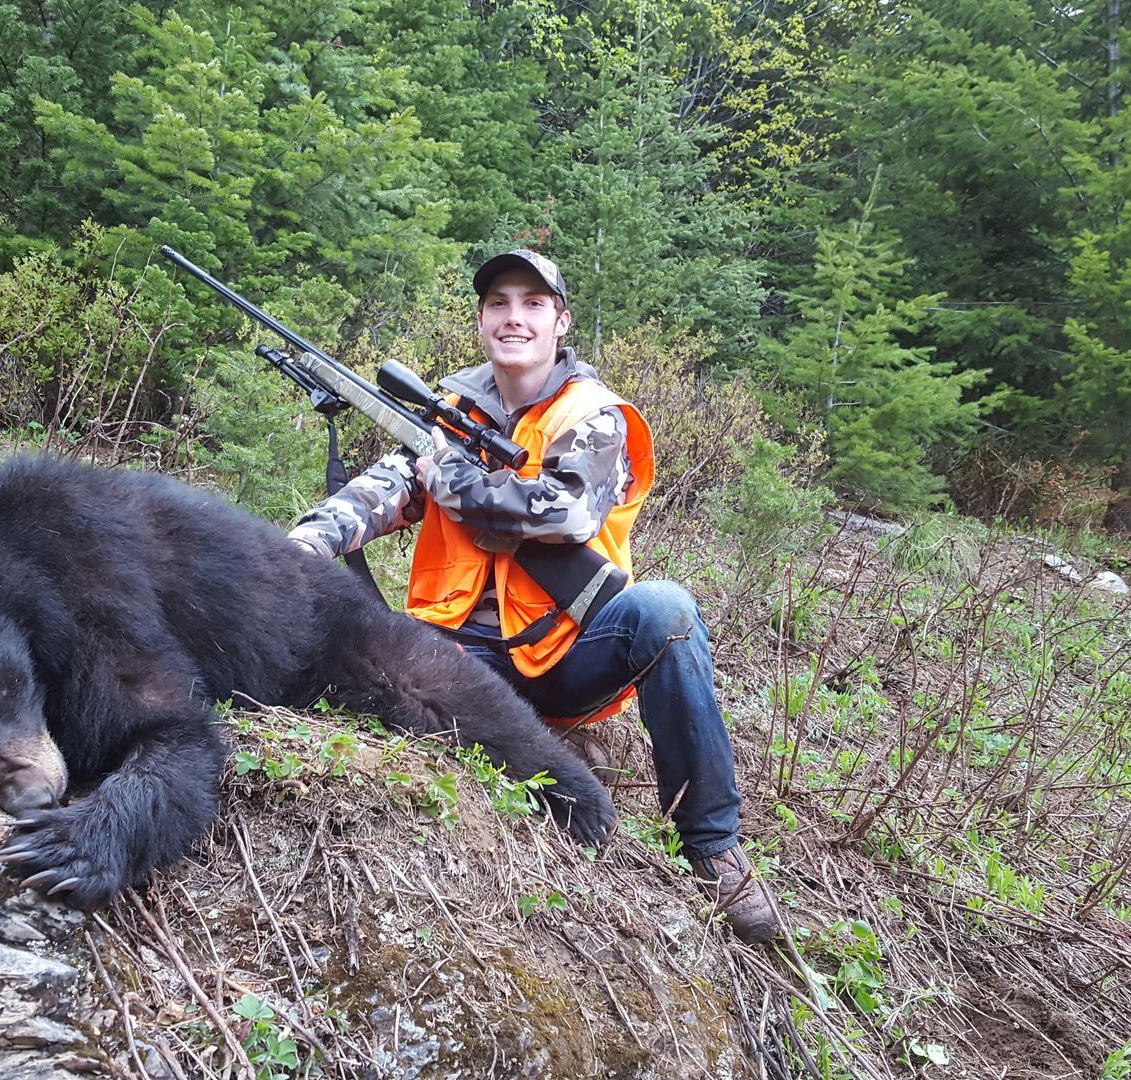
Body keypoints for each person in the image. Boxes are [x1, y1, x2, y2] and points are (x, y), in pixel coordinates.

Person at [287, 249, 779, 944]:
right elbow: (379, 493)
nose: (513, 317)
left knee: (666, 611)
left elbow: (565, 514)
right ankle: (531, 741)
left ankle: (713, 845)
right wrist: (298, 546)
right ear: (482, 320)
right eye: (498, 304)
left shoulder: (596, 416)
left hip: (567, 655)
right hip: (460, 658)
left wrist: (452, 480)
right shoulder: (447, 418)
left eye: (532, 304)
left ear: (560, 321)